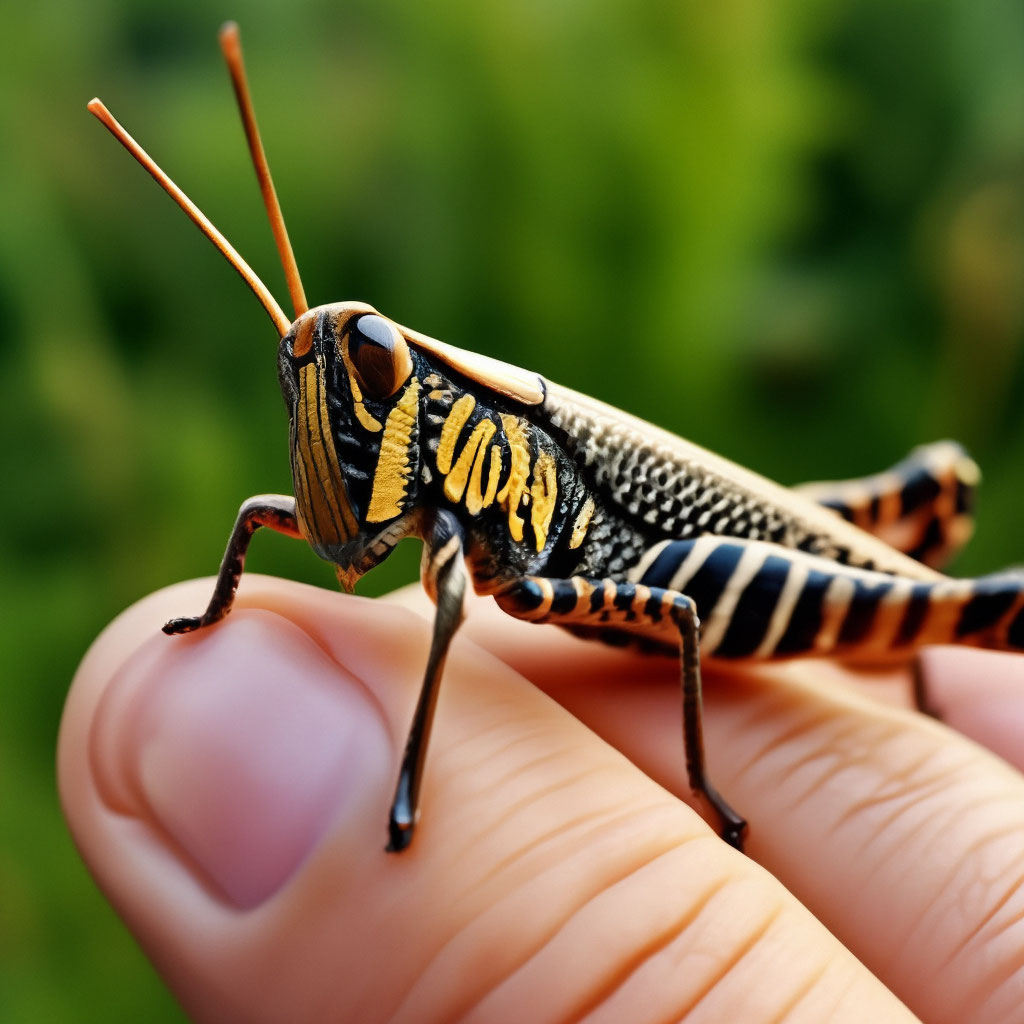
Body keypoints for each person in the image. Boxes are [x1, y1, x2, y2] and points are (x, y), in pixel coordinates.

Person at [59, 574, 1024, 1022]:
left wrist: (702, 792)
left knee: (684, 609)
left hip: (687, 574)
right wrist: (222, 614)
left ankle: (949, 615)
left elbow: (668, 610)